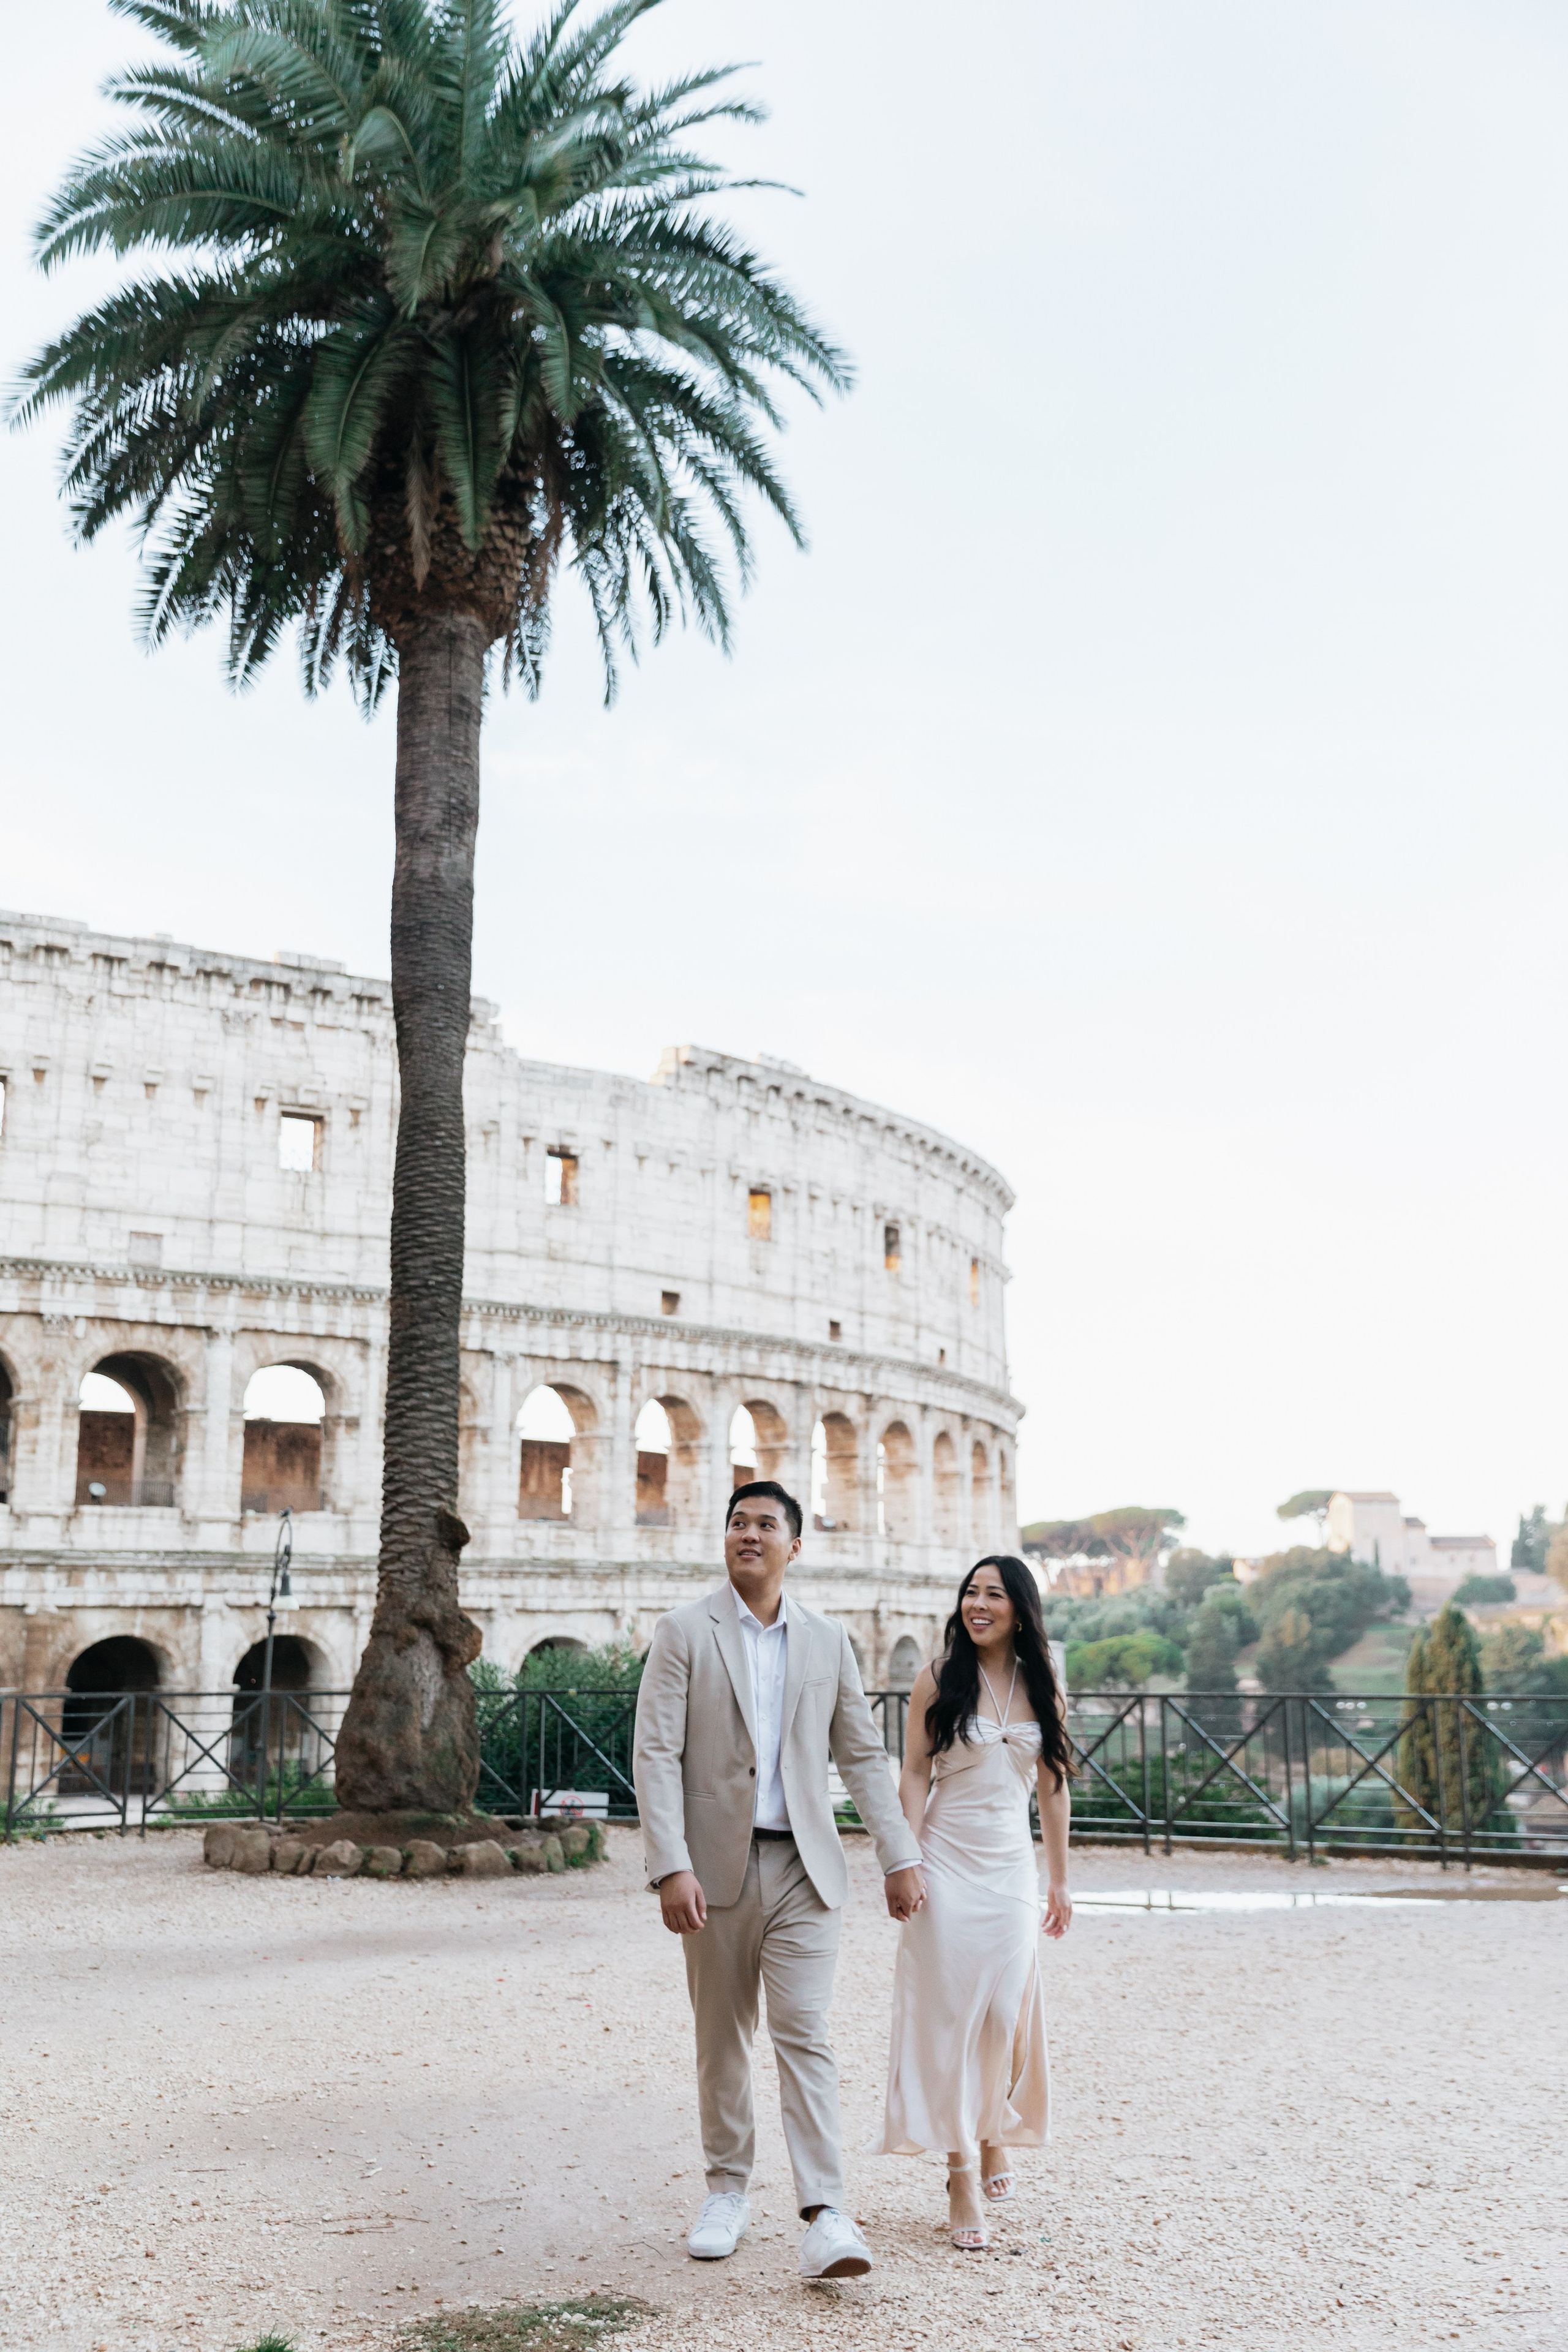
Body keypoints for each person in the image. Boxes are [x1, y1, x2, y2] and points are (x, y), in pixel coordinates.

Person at [633, 1479, 928, 2281]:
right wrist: (670, 1865)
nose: (748, 1534)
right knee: (721, 2037)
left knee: (806, 2030)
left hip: (806, 1865)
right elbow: (655, 1754)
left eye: (766, 1524)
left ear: (795, 1546)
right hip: (714, 1869)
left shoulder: (828, 1641)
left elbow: (862, 1757)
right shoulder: (683, 1632)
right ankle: (727, 2188)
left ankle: (826, 2211)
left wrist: (898, 1856)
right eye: (737, 1523)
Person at [873, 1555, 1074, 2251]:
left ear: (1020, 1607)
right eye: (970, 1592)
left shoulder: (1044, 1678)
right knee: (950, 2013)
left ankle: (993, 2131)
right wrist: (903, 1857)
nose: (977, 1604)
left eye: (993, 1594)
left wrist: (1059, 1880)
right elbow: (914, 1771)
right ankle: (961, 2167)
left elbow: (1053, 1784)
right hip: (945, 1863)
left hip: (1012, 1871)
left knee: (1002, 2011)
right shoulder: (937, 1678)